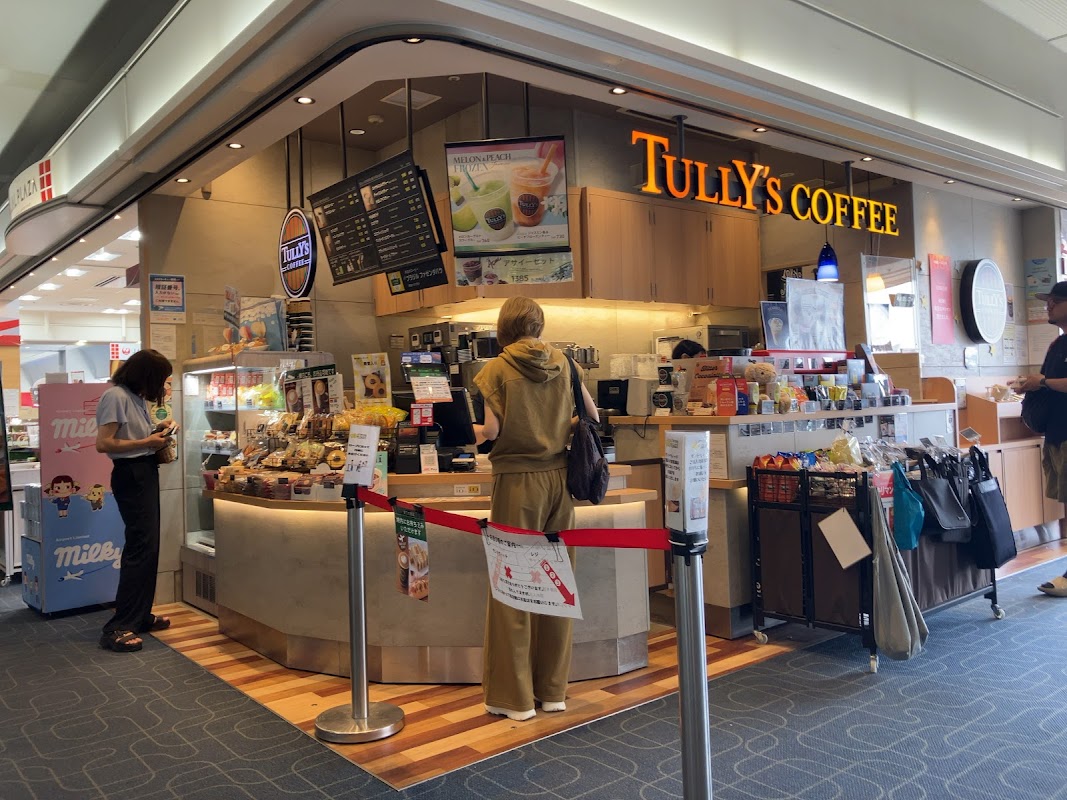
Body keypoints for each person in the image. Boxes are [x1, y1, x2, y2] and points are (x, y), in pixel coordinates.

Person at [472, 297, 599, 721]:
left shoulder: (496, 369)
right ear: (539, 325)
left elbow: (491, 431)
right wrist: (556, 425)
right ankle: (553, 691)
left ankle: (515, 700)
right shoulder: (566, 363)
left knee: (512, 589)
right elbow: (592, 415)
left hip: (516, 483)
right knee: (556, 585)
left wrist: (464, 431)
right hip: (560, 483)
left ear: (504, 326)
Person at [95, 349, 177, 652]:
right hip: (131, 474)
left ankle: (139, 616)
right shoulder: (115, 396)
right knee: (140, 548)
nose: (162, 385)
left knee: (149, 547)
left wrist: (157, 434)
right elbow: (103, 443)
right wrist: (147, 441)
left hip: (144, 470)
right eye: (160, 378)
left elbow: (131, 437)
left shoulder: (135, 397)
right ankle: (118, 627)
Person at [1014, 281, 1067, 597]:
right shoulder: (1057, 344)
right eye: (1048, 300)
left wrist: (1044, 382)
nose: (1049, 305)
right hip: (1057, 434)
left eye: (1055, 300)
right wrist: (1033, 384)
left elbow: (1053, 382)